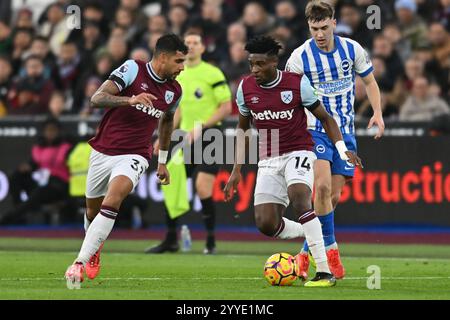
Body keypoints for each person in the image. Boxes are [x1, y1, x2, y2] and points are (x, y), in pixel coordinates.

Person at [224, 35, 362, 287]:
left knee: (300, 197)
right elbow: (243, 130)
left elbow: (326, 118)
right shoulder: (245, 88)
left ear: (274, 62)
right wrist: (236, 169)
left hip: (299, 151)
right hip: (268, 157)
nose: (254, 69)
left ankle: (324, 272)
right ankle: (312, 230)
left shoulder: (297, 84)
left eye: (260, 64)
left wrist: (341, 149)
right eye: (251, 64)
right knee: (266, 224)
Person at [64, 34, 188, 289]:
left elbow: (166, 121)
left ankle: (79, 261)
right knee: (92, 211)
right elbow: (96, 98)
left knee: (114, 199)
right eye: (178, 61)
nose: (182, 67)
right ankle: (95, 246)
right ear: (162, 57)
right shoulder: (134, 69)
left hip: (135, 154)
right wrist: (129, 99)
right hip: (103, 150)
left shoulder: (175, 91)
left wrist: (162, 160)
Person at [285, 0, 384, 280]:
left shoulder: (352, 49)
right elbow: (289, 96)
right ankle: (331, 253)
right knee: (323, 188)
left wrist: (377, 112)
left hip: (346, 132)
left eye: (324, 27)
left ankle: (305, 253)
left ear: (333, 22)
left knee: (333, 197)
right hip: (315, 129)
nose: (319, 33)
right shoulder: (299, 57)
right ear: (309, 26)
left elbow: (370, 82)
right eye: (314, 28)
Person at [146, 32, 232, 254]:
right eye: (188, 43)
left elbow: (225, 107)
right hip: (185, 137)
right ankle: (171, 239)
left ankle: (210, 242)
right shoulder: (179, 74)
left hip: (211, 136)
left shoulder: (212, 73)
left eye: (196, 43)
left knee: (202, 186)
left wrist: (201, 126)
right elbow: (177, 111)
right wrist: (162, 138)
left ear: (203, 48)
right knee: (169, 181)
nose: (191, 46)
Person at [0, 117, 72, 225]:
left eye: (53, 130)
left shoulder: (66, 147)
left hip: (59, 186)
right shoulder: (39, 148)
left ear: (58, 132)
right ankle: (19, 212)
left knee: (40, 192)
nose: (50, 133)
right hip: (42, 183)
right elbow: (34, 164)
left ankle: (10, 218)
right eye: (48, 130)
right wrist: (27, 167)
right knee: (16, 176)